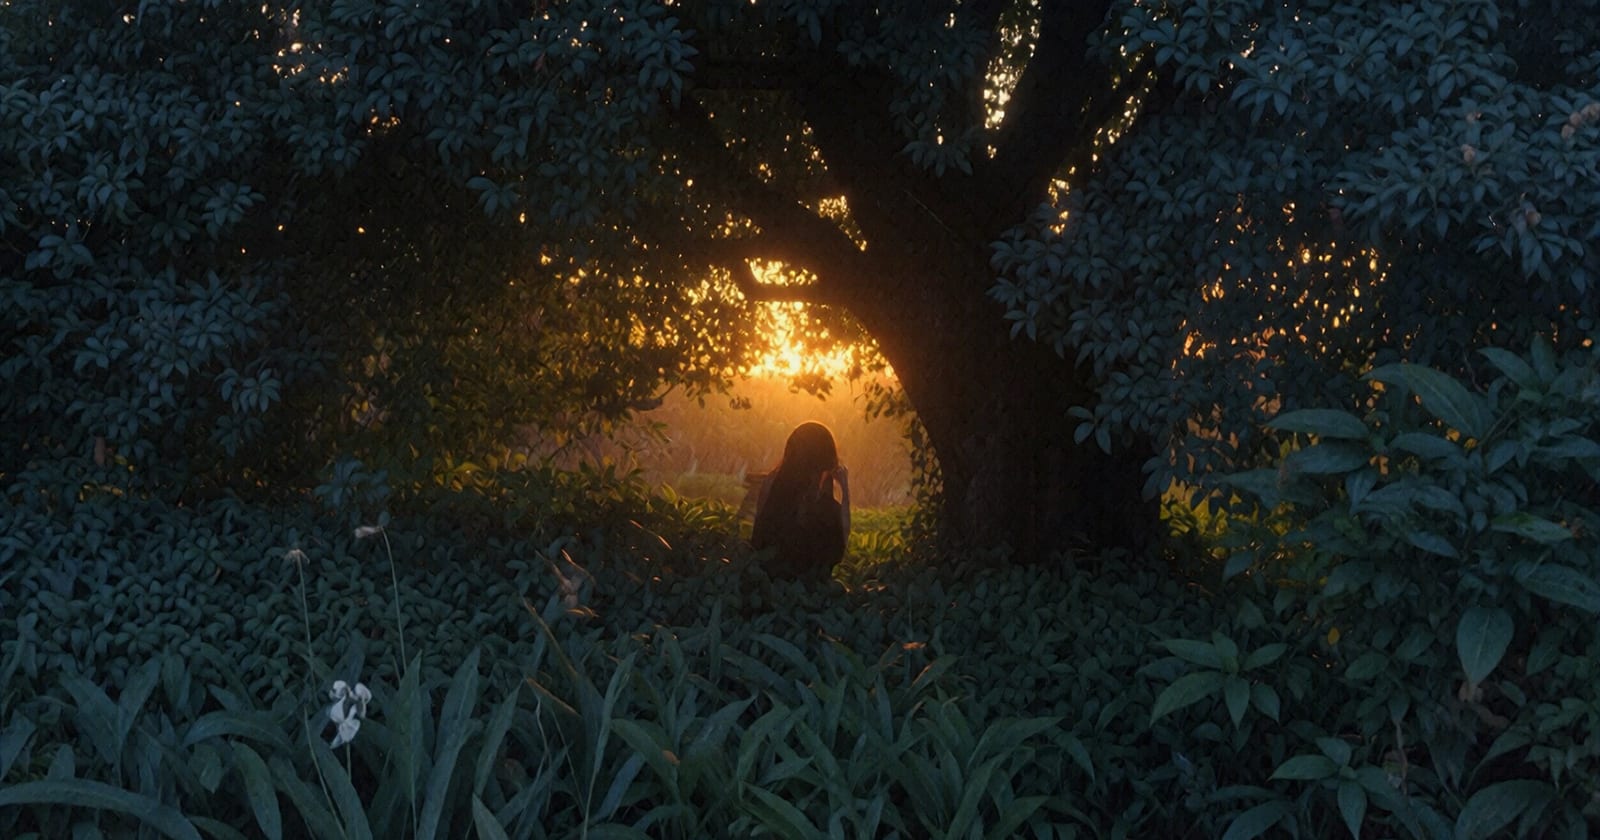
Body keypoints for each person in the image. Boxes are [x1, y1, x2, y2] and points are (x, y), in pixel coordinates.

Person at [751, 422, 851, 581]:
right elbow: (838, 553)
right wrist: (845, 493)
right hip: (810, 594)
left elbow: (757, 539)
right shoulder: (824, 508)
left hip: (767, 585)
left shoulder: (774, 489)